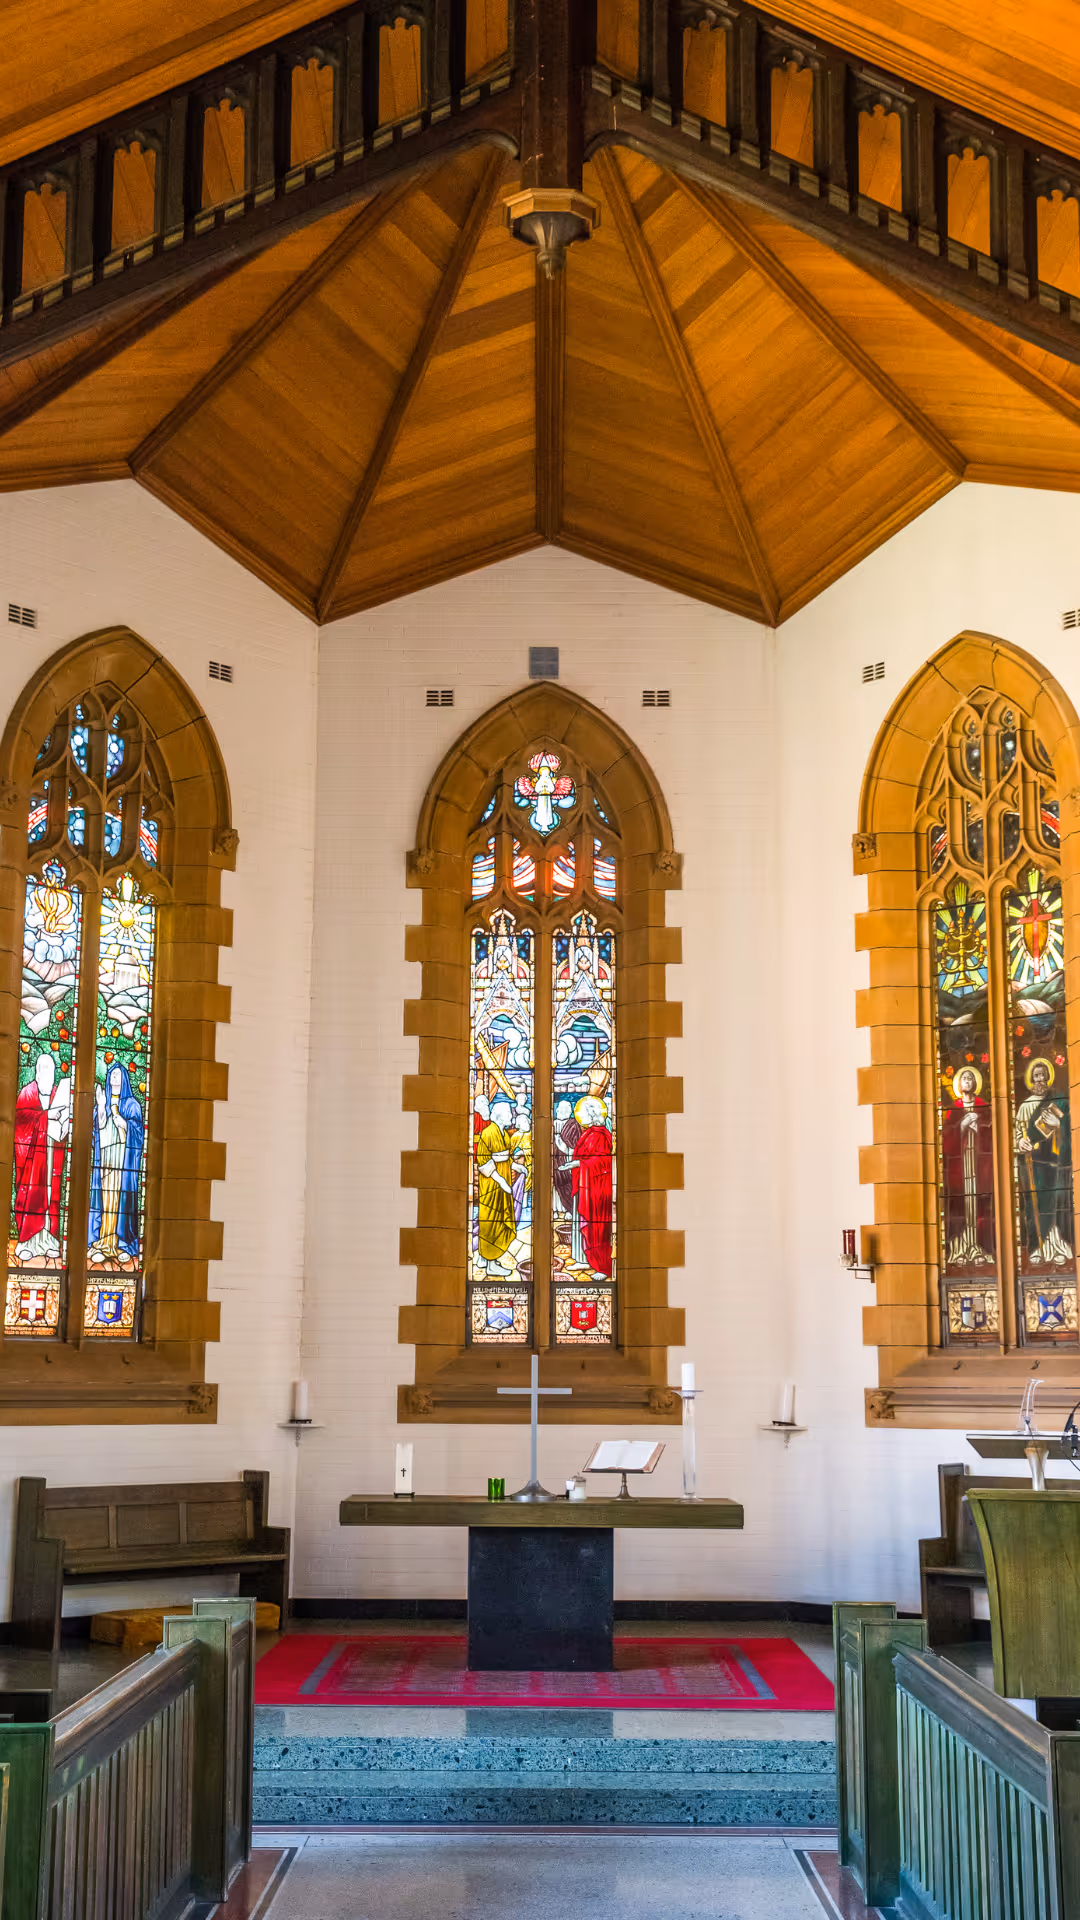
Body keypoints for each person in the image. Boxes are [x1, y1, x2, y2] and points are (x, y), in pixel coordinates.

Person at [12, 1054, 71, 1264]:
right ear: (37, 1071)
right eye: (43, 1068)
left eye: (50, 1068)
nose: (47, 1072)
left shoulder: (57, 1093)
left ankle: (49, 1240)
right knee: (32, 1195)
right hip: (32, 1161)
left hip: (51, 1155)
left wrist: (64, 1125)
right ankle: (27, 1242)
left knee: (50, 1194)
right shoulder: (27, 1093)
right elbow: (20, 1121)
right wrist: (46, 1116)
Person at [1015, 1057, 1073, 1266]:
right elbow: (1017, 1133)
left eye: (1043, 1076)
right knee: (1034, 1205)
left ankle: (1055, 1245)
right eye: (1036, 1076)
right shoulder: (1025, 1106)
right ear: (1031, 1079)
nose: (1039, 1080)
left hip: (1054, 1163)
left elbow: (1069, 1128)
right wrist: (1021, 1142)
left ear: (1048, 1078)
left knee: (1056, 1204)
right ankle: (1037, 1247)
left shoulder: (1058, 1100)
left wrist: (1059, 1124)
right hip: (1032, 1163)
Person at [87, 1063, 145, 1267]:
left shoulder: (132, 1104)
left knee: (120, 1201)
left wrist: (125, 1124)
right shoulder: (102, 1102)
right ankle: (103, 1242)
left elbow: (139, 1134)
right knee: (105, 1199)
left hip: (123, 1160)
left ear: (125, 1080)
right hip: (106, 1158)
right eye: (111, 1076)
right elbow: (99, 1127)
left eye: (118, 1075)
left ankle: (122, 1245)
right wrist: (101, 1106)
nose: (114, 1079)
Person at [940, 1065, 995, 1268]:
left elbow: (993, 1135)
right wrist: (962, 1126)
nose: (968, 1082)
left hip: (979, 1166)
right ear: (959, 1085)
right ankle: (960, 1249)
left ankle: (979, 1248)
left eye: (971, 1079)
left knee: (978, 1205)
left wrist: (979, 1127)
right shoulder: (953, 1110)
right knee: (961, 1207)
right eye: (964, 1079)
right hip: (959, 1167)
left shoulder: (983, 1107)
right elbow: (946, 1140)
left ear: (975, 1084)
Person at [475, 1094, 526, 1275]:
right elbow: (483, 1162)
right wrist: (501, 1180)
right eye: (509, 1114)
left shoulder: (503, 1134)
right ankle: (491, 1263)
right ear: (500, 1115)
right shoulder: (488, 1133)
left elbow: (503, 1158)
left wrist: (517, 1168)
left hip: (501, 1181)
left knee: (497, 1218)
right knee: (492, 1220)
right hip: (491, 1185)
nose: (512, 1116)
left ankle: (483, 1257)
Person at [568, 1095, 613, 1279]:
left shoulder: (601, 1135)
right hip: (584, 1184)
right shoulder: (588, 1133)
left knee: (596, 1226)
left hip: (597, 1189)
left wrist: (578, 1165)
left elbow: (604, 1162)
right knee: (581, 1221)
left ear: (592, 1114)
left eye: (582, 1113)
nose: (578, 1116)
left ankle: (602, 1266)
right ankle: (583, 1259)